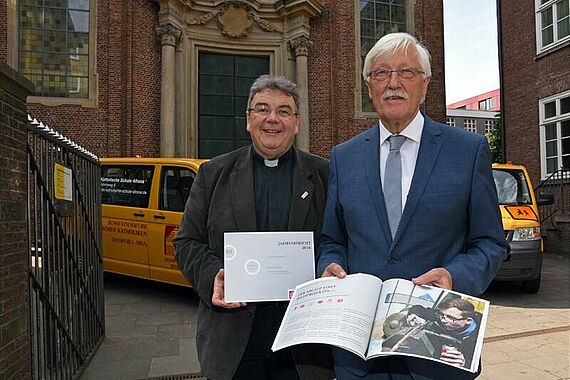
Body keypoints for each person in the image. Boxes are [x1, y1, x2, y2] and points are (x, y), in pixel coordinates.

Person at [316, 32, 509, 379]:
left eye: (406, 72)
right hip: (359, 356)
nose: (393, 83)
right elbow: (333, 240)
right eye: (381, 73)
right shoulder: (343, 157)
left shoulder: (467, 151)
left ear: (425, 84)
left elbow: (490, 243)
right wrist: (331, 264)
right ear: (368, 85)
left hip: (436, 355)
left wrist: (453, 275)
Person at [174, 74, 332, 380]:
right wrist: (213, 277)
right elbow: (187, 242)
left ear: (296, 122)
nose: (272, 119)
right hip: (234, 341)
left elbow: (337, 240)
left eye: (284, 111)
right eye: (262, 109)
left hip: (304, 344)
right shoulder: (213, 174)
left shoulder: (324, 174)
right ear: (249, 120)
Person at [401, 298, 481, 369]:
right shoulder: (440, 315)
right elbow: (418, 309)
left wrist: (464, 363)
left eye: (451, 318)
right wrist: (413, 315)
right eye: (441, 315)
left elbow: (475, 365)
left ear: (468, 320)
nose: (443, 320)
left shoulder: (477, 336)